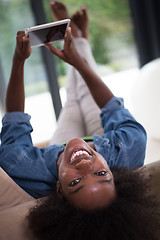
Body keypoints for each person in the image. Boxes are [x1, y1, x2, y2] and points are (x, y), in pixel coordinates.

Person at [0, 1, 159, 239]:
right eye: (101, 175)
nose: (85, 167)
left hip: (60, 148)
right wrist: (78, 62)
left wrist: (18, 60)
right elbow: (111, 107)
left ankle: (76, 36)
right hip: (104, 140)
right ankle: (79, 39)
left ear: (58, 190)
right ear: (114, 173)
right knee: (83, 92)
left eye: (75, 183)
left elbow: (14, 120)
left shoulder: (22, 168)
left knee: (73, 98)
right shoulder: (129, 147)